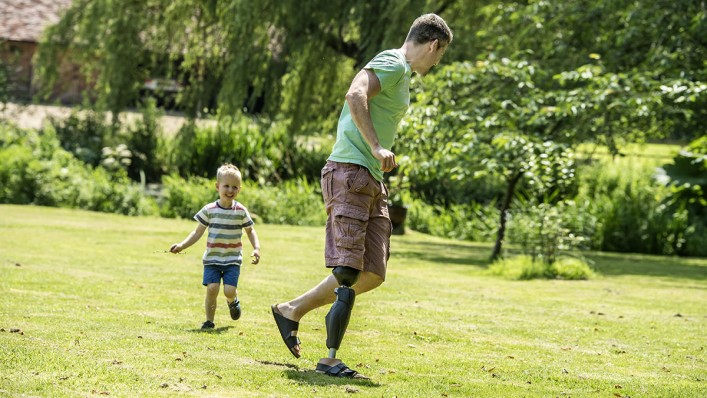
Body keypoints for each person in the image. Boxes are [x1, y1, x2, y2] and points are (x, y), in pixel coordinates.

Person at [271, 13, 452, 378]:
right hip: (351, 170)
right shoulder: (393, 63)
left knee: (372, 271)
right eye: (441, 54)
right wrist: (376, 146)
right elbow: (355, 94)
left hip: (369, 178)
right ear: (434, 45)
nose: (437, 62)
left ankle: (291, 310)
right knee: (350, 270)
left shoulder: (400, 74)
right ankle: (330, 359)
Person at [170, 163, 261, 330]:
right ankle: (209, 321)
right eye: (226, 186)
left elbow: (250, 230)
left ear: (239, 189)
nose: (230, 190)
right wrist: (182, 245)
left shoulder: (240, 211)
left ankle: (232, 301)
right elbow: (197, 233)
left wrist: (256, 248)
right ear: (217, 186)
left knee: (229, 290)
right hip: (212, 259)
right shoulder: (209, 210)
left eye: (234, 187)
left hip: (232, 259)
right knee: (212, 288)